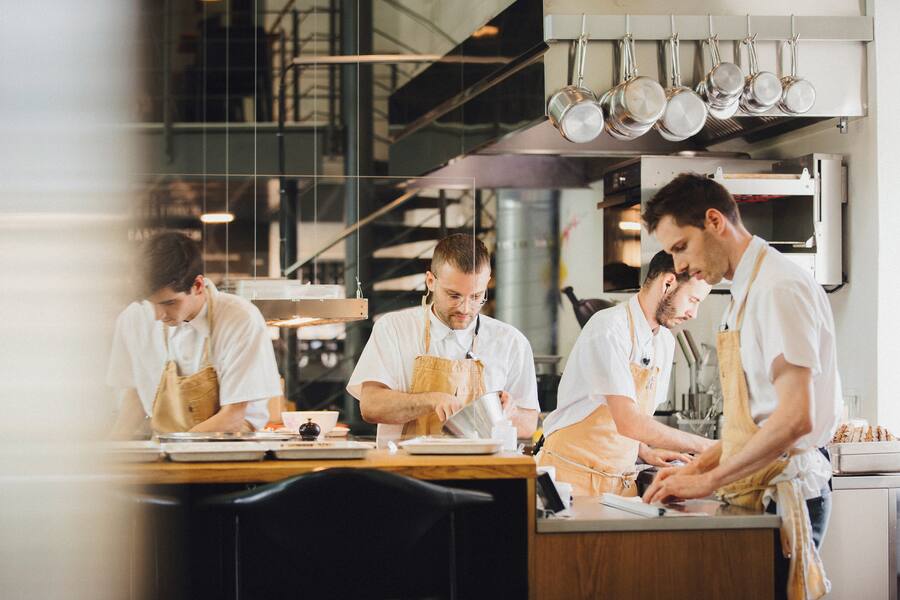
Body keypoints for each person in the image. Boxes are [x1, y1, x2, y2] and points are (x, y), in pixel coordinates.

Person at [642, 173, 841, 599]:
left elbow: (794, 419)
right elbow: (753, 426)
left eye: (681, 247)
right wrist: (694, 468)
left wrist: (706, 483)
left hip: (788, 492)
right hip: (760, 485)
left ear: (715, 221)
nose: (677, 267)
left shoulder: (779, 289)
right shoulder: (744, 292)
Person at [536, 251, 714, 497]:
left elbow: (637, 420)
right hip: (570, 479)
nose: (694, 314)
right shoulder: (608, 328)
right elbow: (628, 420)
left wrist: (644, 450)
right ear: (668, 283)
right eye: (694, 300)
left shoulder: (663, 341)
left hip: (619, 484)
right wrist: (709, 447)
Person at [347, 234, 539, 448]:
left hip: (483, 475)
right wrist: (430, 400)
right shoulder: (393, 329)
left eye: (476, 296)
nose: (465, 309)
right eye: (454, 296)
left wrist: (509, 413)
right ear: (430, 281)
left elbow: (529, 423)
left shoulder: (511, 341)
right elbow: (371, 406)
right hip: (404, 475)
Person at [107, 232, 281, 435]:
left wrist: (175, 452)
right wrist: (112, 449)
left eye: (169, 303)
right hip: (164, 445)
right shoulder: (133, 318)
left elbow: (233, 417)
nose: (158, 315)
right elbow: (135, 394)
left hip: (227, 448)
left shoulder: (239, 319)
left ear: (198, 285)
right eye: (151, 304)